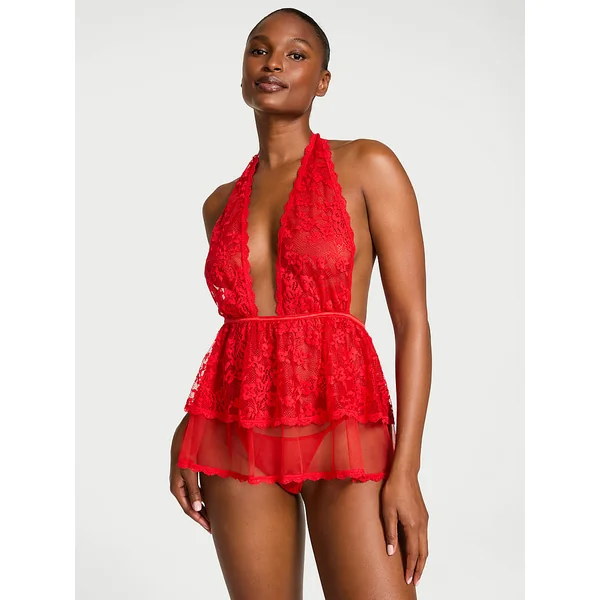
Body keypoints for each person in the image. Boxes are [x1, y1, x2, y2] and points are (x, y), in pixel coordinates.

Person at [169, 7, 431, 599]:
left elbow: (412, 323)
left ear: (323, 81)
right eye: (259, 50)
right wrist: (191, 426)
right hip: (234, 431)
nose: (273, 64)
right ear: (243, 71)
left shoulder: (367, 164)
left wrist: (407, 471)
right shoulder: (218, 204)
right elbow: (242, 330)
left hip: (344, 426)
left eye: (296, 54)